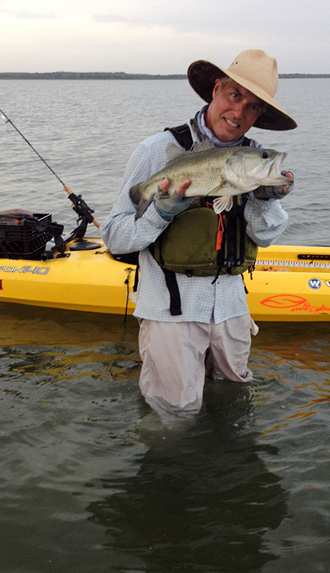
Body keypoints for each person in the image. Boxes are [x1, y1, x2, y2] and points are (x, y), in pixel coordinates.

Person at [101, 49, 297, 420]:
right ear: (216, 89)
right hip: (171, 311)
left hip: (232, 310)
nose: (239, 112)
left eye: (253, 107)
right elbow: (114, 236)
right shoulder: (156, 151)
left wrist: (265, 199)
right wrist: (158, 212)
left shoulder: (256, 161)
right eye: (234, 95)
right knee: (174, 416)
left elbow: (267, 235)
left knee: (234, 405)